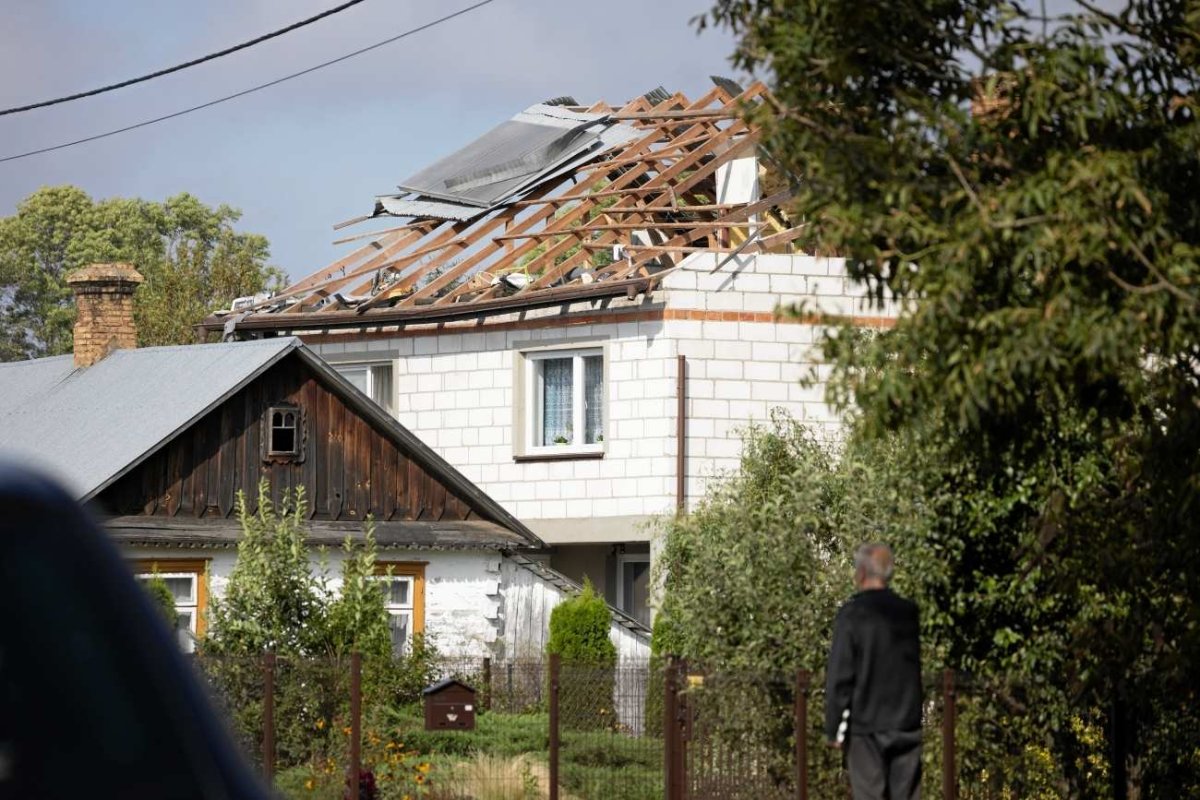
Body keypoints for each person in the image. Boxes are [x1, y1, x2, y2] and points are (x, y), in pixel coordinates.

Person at [825, 542, 923, 800]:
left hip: (866, 728)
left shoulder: (852, 614)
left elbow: (840, 675)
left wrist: (834, 727)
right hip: (906, 723)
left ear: (860, 574)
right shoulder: (908, 612)